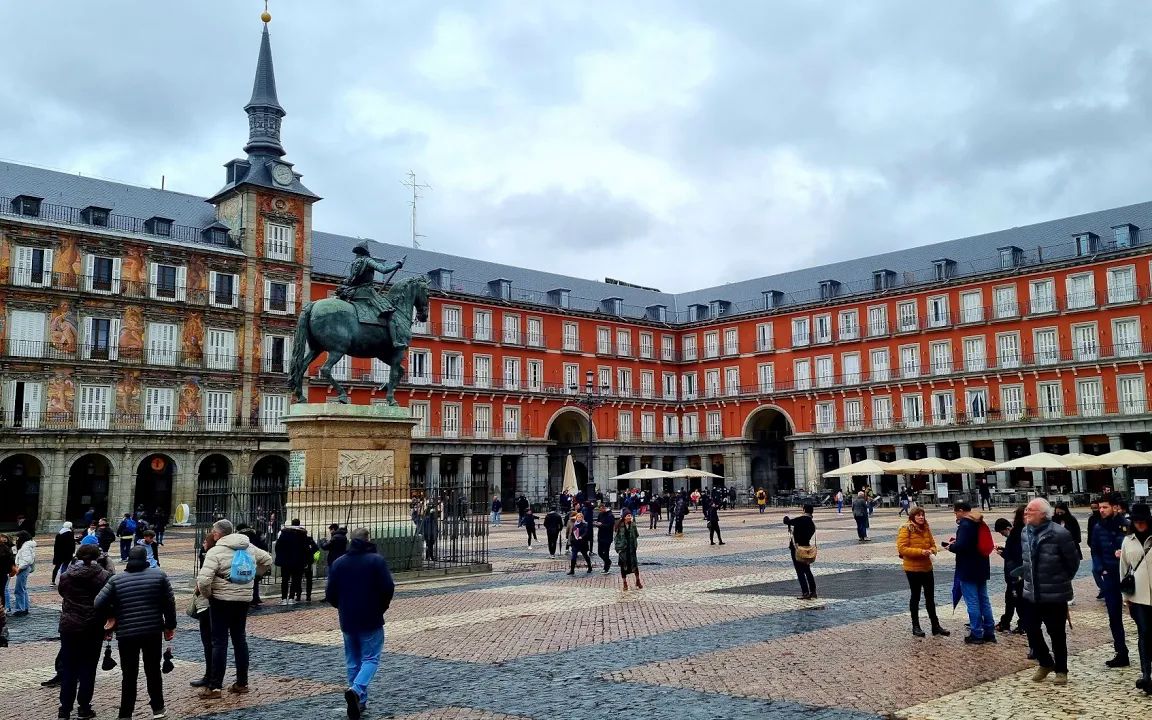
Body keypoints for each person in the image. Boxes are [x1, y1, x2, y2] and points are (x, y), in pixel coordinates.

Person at [93, 545, 176, 720]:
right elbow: (169, 603)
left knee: (129, 675)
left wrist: (112, 614)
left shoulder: (117, 580)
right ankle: (158, 709)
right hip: (152, 631)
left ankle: (125, 714)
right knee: (153, 670)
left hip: (127, 633)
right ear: (146, 558)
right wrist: (169, 625)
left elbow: (98, 602)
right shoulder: (159, 576)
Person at [195, 518, 273, 699]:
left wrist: (208, 594)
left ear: (218, 534)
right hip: (243, 600)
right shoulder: (249, 546)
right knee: (240, 640)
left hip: (221, 600)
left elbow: (204, 580)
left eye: (214, 531)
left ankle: (215, 687)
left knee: (219, 642)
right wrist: (253, 577)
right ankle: (242, 683)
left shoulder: (216, 551)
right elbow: (268, 560)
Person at [326, 528, 395, 720]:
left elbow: (330, 593)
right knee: (371, 658)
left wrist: (341, 607)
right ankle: (356, 690)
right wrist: (381, 607)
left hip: (347, 618)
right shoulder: (376, 561)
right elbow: (388, 588)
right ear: (368, 540)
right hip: (371, 617)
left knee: (352, 660)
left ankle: (360, 700)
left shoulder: (339, 563)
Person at [1021, 497, 1080, 685]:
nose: (1026, 512)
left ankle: (1062, 670)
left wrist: (1060, 580)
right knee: (1030, 628)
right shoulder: (1025, 532)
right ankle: (1046, 662)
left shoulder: (1060, 534)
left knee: (1056, 633)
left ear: (1043, 515)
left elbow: (1073, 562)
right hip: (1031, 592)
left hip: (1055, 593)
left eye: (1031, 510)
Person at [57, 543, 113, 720]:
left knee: (69, 667)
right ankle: (84, 706)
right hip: (92, 626)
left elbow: (62, 592)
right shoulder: (103, 576)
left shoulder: (66, 575)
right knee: (88, 667)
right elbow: (109, 598)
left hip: (69, 626)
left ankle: (64, 709)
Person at [944, 501, 995, 644]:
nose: (956, 515)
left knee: (972, 601)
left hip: (968, 568)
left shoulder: (965, 525)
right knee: (984, 600)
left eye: (955, 512)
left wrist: (951, 547)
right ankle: (990, 632)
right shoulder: (978, 522)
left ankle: (977, 633)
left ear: (960, 510)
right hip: (982, 567)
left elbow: (962, 546)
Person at [1090, 492, 1131, 668]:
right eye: (1100, 507)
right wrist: (1101, 569)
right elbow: (1095, 550)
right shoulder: (1099, 527)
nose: (1102, 510)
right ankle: (1121, 652)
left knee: (1139, 615)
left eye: (1105, 507)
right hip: (1110, 575)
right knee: (1114, 616)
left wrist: (1125, 555)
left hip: (1129, 576)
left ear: (1115, 507)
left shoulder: (1128, 526)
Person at [896, 507, 949, 637]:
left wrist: (932, 550)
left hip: (927, 567)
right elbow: (902, 548)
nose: (921, 517)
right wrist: (920, 552)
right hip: (913, 569)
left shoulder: (926, 528)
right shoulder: (906, 528)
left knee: (930, 597)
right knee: (916, 596)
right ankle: (916, 626)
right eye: (918, 515)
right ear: (912, 517)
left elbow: (933, 544)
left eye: (923, 515)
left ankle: (935, 626)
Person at [1120, 502, 1152, 696]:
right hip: (1138, 596)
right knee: (1144, 633)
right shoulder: (1128, 541)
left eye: (1143, 521)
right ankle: (1146, 674)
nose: (1139, 524)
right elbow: (1123, 570)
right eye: (1136, 521)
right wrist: (1126, 596)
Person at [335, 240, 404, 323]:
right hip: (366, 293)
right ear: (366, 251)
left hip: (353, 293)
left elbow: (350, 279)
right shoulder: (368, 261)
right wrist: (398, 264)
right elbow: (384, 269)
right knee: (387, 305)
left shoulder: (353, 263)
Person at [995, 507, 1028, 635]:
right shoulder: (1020, 533)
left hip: (1017, 574)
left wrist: (1005, 553)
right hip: (1014, 574)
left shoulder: (1018, 534)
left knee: (1017, 600)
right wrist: (1004, 552)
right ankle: (1006, 622)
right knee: (1011, 599)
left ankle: (1022, 624)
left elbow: (1016, 556)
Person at [783, 505, 817, 600]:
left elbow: (787, 521)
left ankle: (805, 592)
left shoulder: (801, 520)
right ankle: (813, 591)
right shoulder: (811, 523)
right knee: (807, 570)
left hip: (797, 548)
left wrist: (786, 517)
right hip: (806, 548)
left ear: (804, 510)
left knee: (799, 571)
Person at [274, 520, 311, 605]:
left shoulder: (284, 533)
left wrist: (281, 557)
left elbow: (278, 546)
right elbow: (306, 549)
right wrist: (306, 560)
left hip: (285, 561)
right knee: (295, 580)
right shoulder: (302, 534)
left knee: (285, 580)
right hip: (298, 561)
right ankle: (291, 598)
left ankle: (283, 599)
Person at [614, 512, 642, 590]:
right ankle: (624, 583)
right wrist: (618, 549)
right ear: (624, 517)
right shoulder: (619, 525)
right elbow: (616, 538)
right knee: (623, 566)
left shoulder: (633, 525)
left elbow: (636, 535)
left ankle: (638, 580)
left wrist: (635, 545)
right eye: (628, 516)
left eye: (630, 516)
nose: (630, 517)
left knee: (635, 565)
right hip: (623, 549)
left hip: (631, 548)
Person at [12, 530, 36, 616]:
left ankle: (20, 608)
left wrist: (19, 568)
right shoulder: (27, 545)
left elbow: (27, 560)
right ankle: (25, 607)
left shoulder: (25, 547)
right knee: (23, 588)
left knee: (19, 589)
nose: (16, 539)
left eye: (18, 537)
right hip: (24, 568)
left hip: (23, 569)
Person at [1087, 499, 1105, 599]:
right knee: (1095, 570)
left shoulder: (1104, 518)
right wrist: (1090, 544)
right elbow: (1090, 532)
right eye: (1092, 508)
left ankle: (1106, 589)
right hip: (1095, 548)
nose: (1095, 510)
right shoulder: (1091, 519)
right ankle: (1103, 588)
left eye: (1096, 508)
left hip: (1105, 548)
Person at [52, 522, 76, 586]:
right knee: (65, 566)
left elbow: (56, 545)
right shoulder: (70, 533)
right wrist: (73, 552)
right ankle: (63, 580)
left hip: (58, 553)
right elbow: (72, 544)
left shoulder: (59, 533)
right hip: (67, 553)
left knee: (57, 567)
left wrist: (55, 553)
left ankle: (53, 580)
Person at [594, 504, 615, 572]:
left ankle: (606, 567)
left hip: (607, 536)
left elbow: (610, 526)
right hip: (601, 536)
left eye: (601, 510)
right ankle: (608, 561)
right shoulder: (600, 514)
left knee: (606, 552)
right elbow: (599, 522)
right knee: (600, 552)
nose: (600, 511)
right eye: (599, 510)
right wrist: (597, 524)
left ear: (604, 508)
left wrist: (601, 525)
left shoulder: (610, 515)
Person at [0, 533, 14, 613]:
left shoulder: (7, 549)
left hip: (3, 573)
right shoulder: (7, 549)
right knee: (2, 591)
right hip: (4, 574)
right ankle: (4, 609)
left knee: (3, 591)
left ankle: (5, 608)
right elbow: (11, 562)